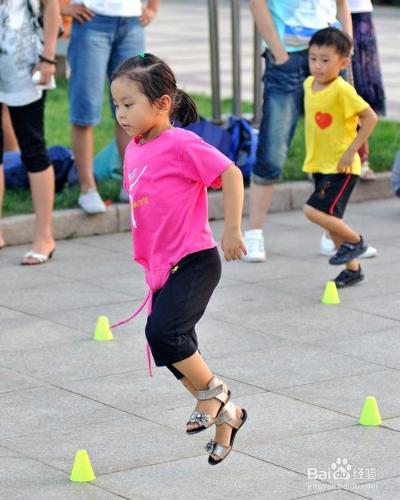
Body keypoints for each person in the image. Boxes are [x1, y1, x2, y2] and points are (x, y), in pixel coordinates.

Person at [110, 53, 248, 465]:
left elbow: (232, 174)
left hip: (195, 260)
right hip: (162, 268)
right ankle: (230, 416)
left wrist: (232, 229)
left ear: (163, 103)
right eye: (115, 104)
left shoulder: (181, 143)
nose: (121, 114)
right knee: (166, 343)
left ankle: (214, 397)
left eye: (129, 104)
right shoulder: (135, 148)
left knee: (166, 334)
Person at [244, 0, 353, 263]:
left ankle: (333, 234)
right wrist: (280, 54)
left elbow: (342, 5)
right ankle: (254, 232)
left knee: (334, 147)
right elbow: (256, 4)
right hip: (288, 59)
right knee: (273, 146)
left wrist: (345, 52)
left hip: (331, 58)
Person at [60, 0, 160, 215]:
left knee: (132, 108)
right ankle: (87, 188)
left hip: (132, 22)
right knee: (85, 109)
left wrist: (152, 7)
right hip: (91, 20)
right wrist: (60, 6)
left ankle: (131, 184)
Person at [303, 27, 377, 288]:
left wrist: (352, 150)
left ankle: (357, 242)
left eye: (326, 60)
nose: (318, 65)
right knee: (332, 222)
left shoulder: (342, 90)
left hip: (342, 167)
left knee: (312, 210)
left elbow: (370, 118)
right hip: (320, 164)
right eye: (313, 58)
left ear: (343, 62)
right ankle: (352, 269)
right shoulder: (308, 85)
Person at [0, 0, 59, 263]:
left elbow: (51, 7)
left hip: (24, 67)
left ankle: (44, 236)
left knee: (32, 147)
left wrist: (48, 57)